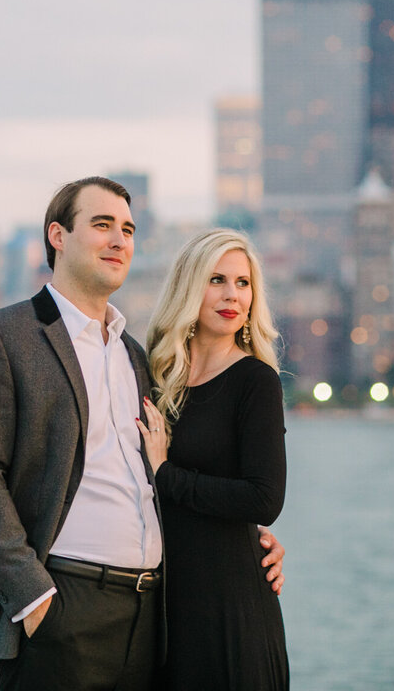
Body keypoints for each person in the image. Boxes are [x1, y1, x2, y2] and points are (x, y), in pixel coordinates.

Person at [0, 178, 285, 691]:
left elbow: (167, 474)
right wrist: (34, 599)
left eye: (127, 228)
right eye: (102, 225)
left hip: (157, 618)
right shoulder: (0, 336)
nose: (119, 239)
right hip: (64, 609)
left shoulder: (137, 358)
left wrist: (250, 538)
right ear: (58, 235)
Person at [137, 228, 289, 690]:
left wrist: (167, 474)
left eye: (243, 283)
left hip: (230, 607)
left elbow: (264, 500)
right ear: (189, 288)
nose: (232, 296)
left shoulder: (256, 381)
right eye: (216, 280)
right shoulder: (156, 377)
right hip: (162, 608)